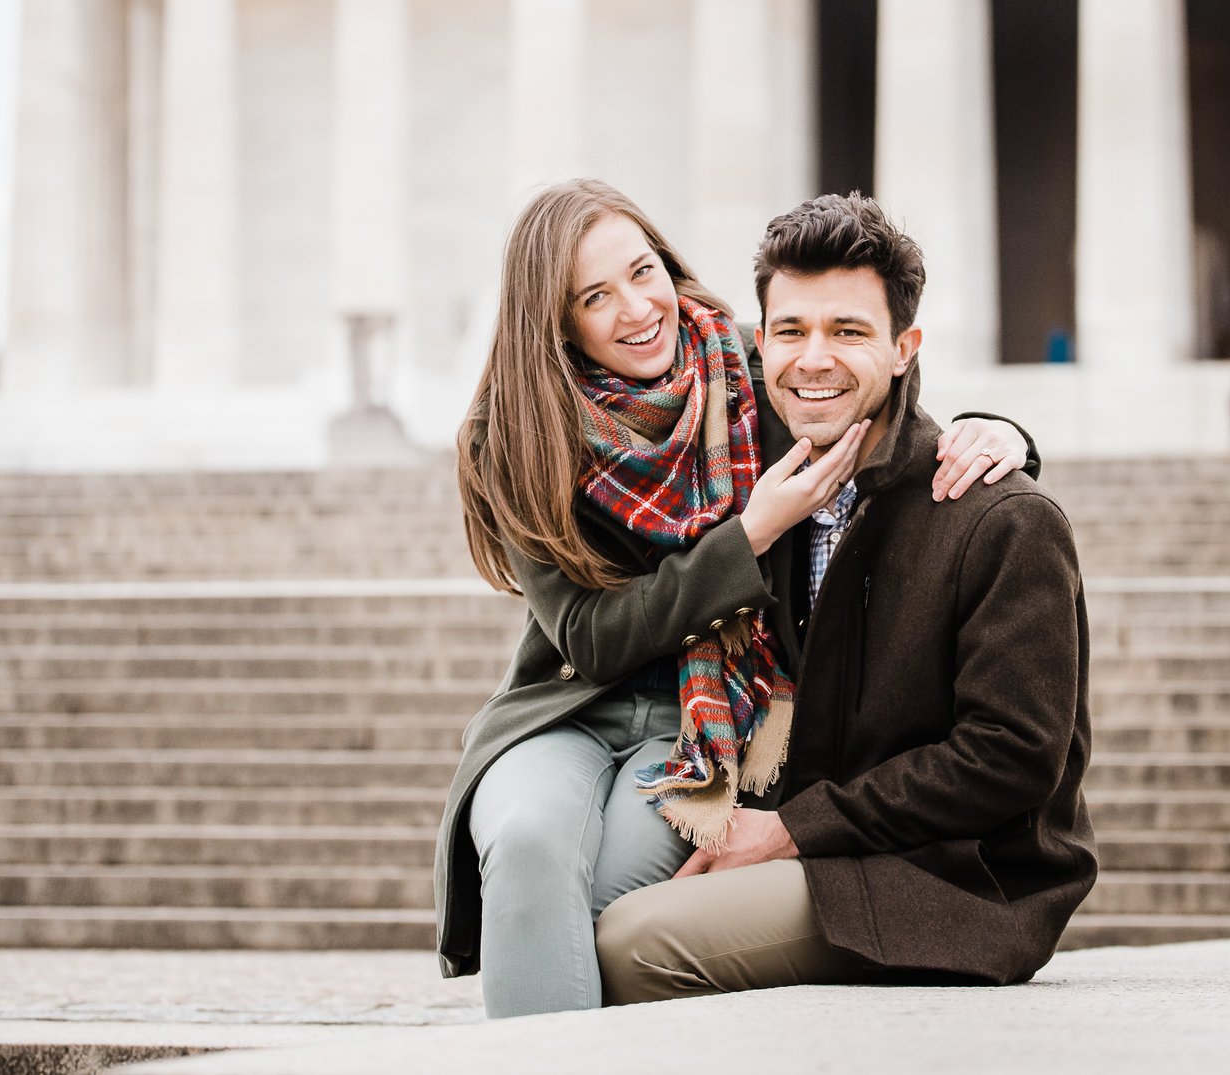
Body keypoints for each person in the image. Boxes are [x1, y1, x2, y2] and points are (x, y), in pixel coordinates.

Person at [433, 180, 1035, 1017]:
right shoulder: (516, 432)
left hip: (708, 721)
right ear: (555, 320)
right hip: (570, 709)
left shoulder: (744, 367)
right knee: (529, 844)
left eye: (644, 272)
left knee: (616, 912)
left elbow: (862, 378)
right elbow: (592, 639)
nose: (637, 308)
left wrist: (1002, 432)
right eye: (594, 297)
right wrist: (747, 536)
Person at [593, 193, 1095, 1003]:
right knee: (589, 897)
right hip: (824, 847)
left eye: (848, 331)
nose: (813, 358)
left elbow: (1010, 756)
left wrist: (790, 831)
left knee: (629, 945)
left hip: (947, 882)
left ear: (905, 348)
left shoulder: (1004, 520)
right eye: (790, 331)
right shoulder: (765, 496)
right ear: (761, 344)